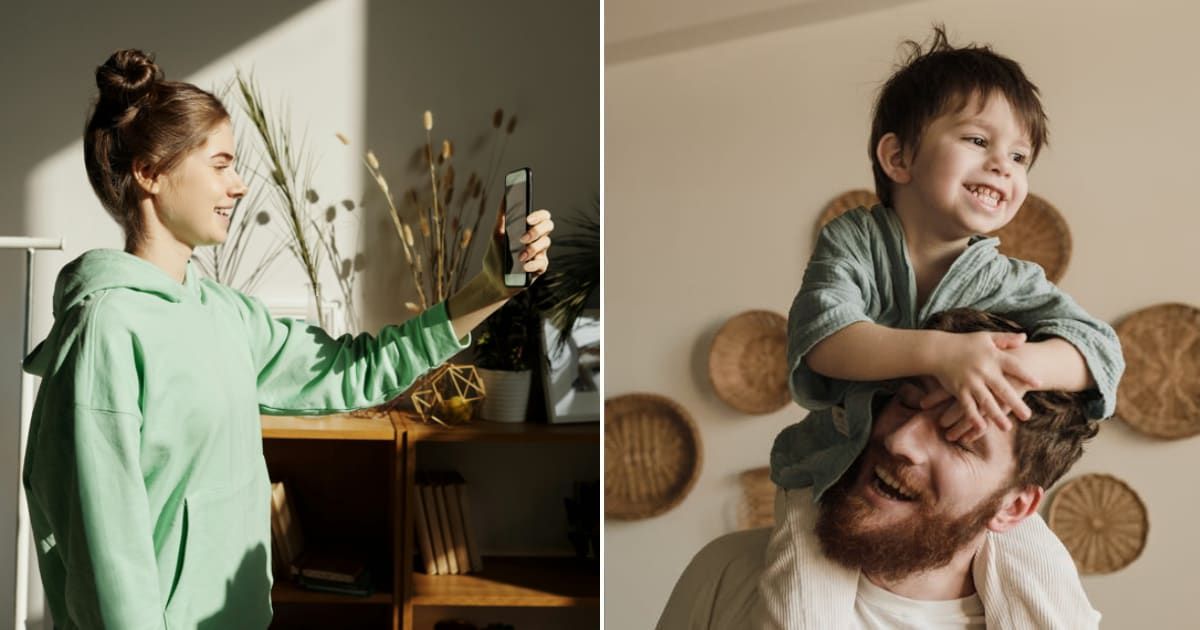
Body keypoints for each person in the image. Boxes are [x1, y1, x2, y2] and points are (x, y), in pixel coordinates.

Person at [21, 49, 553, 629]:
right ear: (149, 172)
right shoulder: (106, 329)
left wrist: (491, 288)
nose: (240, 185)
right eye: (220, 164)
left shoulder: (225, 314)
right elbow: (109, 558)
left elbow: (354, 372)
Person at [762, 26, 1124, 628]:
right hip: (834, 472)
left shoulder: (1008, 277)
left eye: (1019, 157)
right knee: (800, 599)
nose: (1001, 166)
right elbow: (825, 339)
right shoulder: (854, 240)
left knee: (1054, 592)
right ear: (898, 157)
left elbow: (1100, 351)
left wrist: (1021, 365)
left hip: (963, 501)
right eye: (978, 140)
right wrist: (945, 354)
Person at [658, 309, 1102, 629]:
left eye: (959, 438)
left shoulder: (1050, 611)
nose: (899, 439)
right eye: (906, 402)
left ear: (1014, 507)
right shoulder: (726, 571)